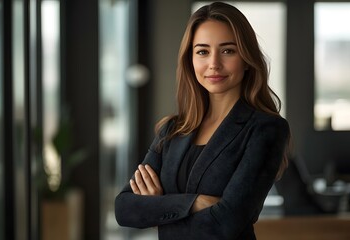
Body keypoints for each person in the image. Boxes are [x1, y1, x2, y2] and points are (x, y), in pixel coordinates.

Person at [115, 2, 291, 239]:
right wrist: (194, 203)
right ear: (190, 59)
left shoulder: (266, 129)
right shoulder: (173, 130)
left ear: (247, 58)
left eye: (228, 50)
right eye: (202, 51)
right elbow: (124, 209)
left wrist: (159, 208)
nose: (214, 64)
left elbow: (226, 222)